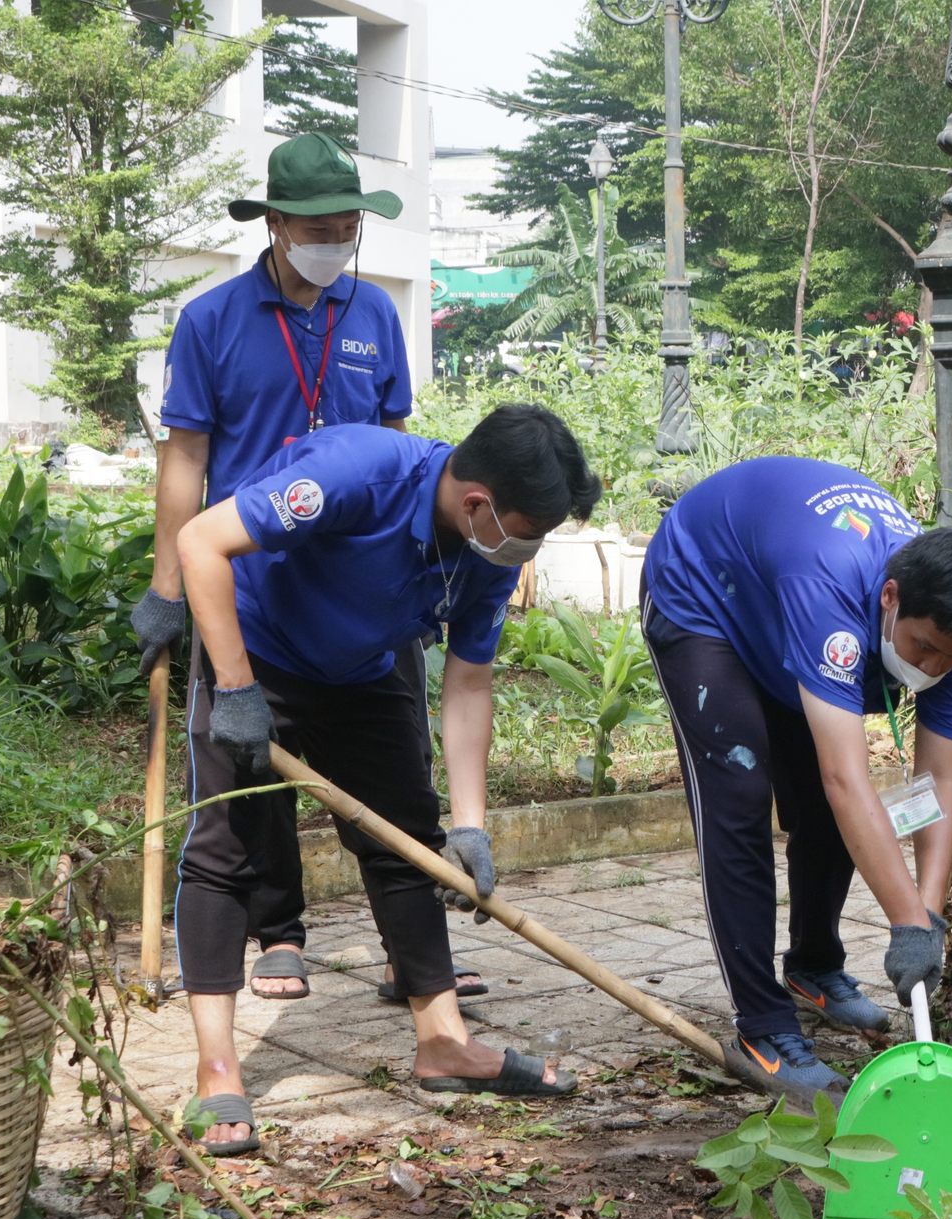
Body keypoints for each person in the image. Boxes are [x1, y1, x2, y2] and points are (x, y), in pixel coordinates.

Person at [174, 405, 601, 1153]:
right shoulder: (354, 474)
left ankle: (442, 1040)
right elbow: (200, 541)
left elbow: (469, 682)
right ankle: (217, 1071)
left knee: (409, 841)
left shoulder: (486, 552)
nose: (528, 549)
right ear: (478, 504)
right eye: (527, 531)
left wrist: (469, 822)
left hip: (366, 671)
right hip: (256, 648)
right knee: (227, 849)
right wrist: (236, 690)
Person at [130, 132, 482, 1002]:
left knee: (397, 772)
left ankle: (412, 958)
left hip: (365, 586)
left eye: (349, 225)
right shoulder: (212, 320)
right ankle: (277, 930)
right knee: (251, 768)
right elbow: (185, 459)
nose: (336, 239)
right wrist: (166, 588)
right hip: (247, 580)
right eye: (320, 224)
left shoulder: (371, 316)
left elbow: (401, 449)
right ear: (278, 223)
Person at [642, 458, 952, 1100]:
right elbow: (848, 777)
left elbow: (938, 776)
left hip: (775, 603)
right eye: (921, 647)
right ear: (890, 597)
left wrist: (927, 911)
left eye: (949, 658)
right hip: (706, 591)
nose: (929, 668)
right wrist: (902, 924)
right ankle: (763, 1028)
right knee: (739, 793)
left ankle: (814, 967)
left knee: (821, 809)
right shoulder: (832, 588)